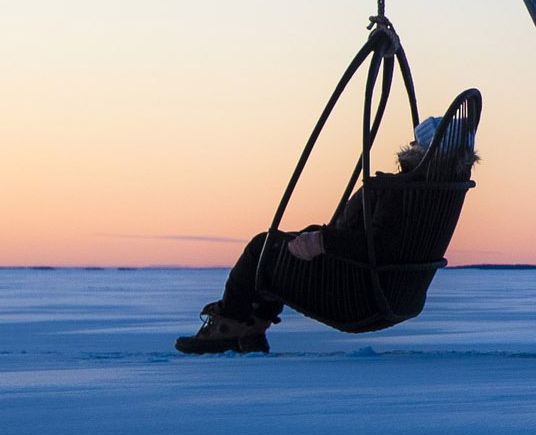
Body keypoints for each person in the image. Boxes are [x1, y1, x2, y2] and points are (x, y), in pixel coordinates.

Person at [176, 115, 477, 354]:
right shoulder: (435, 196)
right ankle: (250, 327)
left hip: (357, 297)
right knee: (283, 245)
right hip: (391, 295)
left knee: (262, 249)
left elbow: (380, 247)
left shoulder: (402, 192)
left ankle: (229, 328)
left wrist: (323, 241)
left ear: (420, 152)